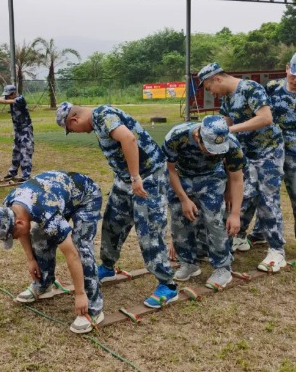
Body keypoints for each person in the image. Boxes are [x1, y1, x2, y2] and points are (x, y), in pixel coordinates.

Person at [56, 102, 177, 308]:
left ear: (74, 120)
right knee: (113, 222)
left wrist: (136, 176)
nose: (76, 132)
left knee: (149, 229)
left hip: (147, 177)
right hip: (125, 179)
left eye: (71, 129)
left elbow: (128, 138)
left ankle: (168, 285)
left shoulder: (103, 115)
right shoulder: (98, 121)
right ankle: (108, 266)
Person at [0, 171, 104, 333]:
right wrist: (31, 259)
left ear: (19, 222)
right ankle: (44, 283)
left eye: (12, 236)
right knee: (39, 238)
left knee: (81, 247)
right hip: (59, 197)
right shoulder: (10, 206)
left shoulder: (46, 213)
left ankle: (94, 307)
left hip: (87, 196)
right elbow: (22, 231)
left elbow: (72, 255)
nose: (14, 239)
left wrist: (79, 294)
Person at [198, 62, 286, 272]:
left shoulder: (250, 88)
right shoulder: (227, 98)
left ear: (217, 78)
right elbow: (225, 120)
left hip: (268, 150)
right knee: (244, 194)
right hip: (246, 152)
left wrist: (229, 130)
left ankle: (277, 250)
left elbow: (266, 118)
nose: (213, 93)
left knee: (267, 197)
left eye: (210, 88)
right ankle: (240, 237)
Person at [163, 115, 245, 289]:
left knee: (214, 220)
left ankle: (222, 267)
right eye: (209, 148)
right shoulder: (177, 136)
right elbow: (170, 169)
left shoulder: (231, 144)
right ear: (198, 136)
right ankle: (188, 263)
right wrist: (184, 199)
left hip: (212, 177)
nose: (214, 153)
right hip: (182, 176)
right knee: (179, 220)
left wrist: (235, 213)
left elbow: (237, 178)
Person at [249, 53, 296, 241]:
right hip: (270, 149)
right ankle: (261, 232)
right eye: (293, 74)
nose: (296, 80)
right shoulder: (271, 88)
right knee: (266, 192)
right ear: (287, 68)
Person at [0, 84, 34, 181]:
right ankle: (13, 172)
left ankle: (26, 176)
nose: (7, 97)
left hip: (25, 130)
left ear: (14, 93)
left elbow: (4, 101)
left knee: (25, 152)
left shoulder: (20, 99)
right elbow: (3, 98)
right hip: (17, 130)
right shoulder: (10, 97)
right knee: (16, 151)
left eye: (8, 95)